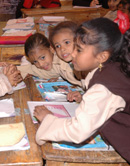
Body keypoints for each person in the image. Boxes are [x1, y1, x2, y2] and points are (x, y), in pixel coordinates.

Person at [34, 18, 130, 163]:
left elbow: (78, 130)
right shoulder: (112, 67)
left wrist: (48, 119)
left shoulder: (103, 87)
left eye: (78, 50)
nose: (73, 54)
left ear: (102, 56)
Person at [17, 32, 83, 102]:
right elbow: (31, 69)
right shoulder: (52, 63)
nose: (41, 64)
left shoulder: (65, 60)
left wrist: (83, 96)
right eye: (35, 62)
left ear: (51, 49)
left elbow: (92, 83)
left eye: (42, 57)